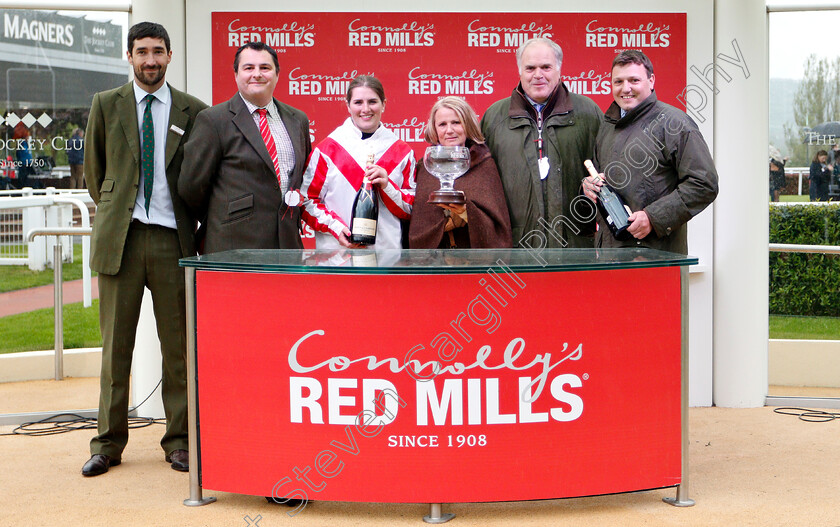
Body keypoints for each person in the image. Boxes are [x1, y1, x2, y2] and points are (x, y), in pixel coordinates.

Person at [82, 22, 208, 477]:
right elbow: (96, 176)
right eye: (142, 51)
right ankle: (107, 443)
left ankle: (180, 441)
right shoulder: (105, 104)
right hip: (123, 239)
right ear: (129, 56)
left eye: (158, 51)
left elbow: (201, 178)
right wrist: (120, 212)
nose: (150, 59)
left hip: (175, 240)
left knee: (179, 349)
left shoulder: (194, 110)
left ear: (170, 56)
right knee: (116, 348)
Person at [179, 41, 311, 253]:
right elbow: (191, 187)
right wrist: (223, 214)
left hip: (287, 245)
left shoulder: (298, 120)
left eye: (265, 68)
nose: (257, 74)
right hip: (233, 245)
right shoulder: (213, 120)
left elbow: (302, 179)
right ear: (236, 74)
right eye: (248, 68)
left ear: (277, 74)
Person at [582, 50, 718, 254]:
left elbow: (704, 184)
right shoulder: (606, 126)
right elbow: (600, 181)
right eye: (618, 82)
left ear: (651, 80)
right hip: (609, 257)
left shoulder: (675, 123)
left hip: (655, 257)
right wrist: (588, 187)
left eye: (634, 80)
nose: (625, 88)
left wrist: (654, 218)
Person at [481, 37, 601, 248]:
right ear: (519, 71)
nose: (538, 75)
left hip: (576, 247)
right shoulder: (494, 118)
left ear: (559, 70)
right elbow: (481, 183)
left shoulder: (588, 113)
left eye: (546, 67)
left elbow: (608, 170)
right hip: (516, 248)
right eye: (530, 68)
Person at [299, 75, 415, 249]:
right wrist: (336, 229)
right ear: (348, 106)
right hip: (337, 258)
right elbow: (306, 201)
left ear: (384, 104)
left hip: (387, 258)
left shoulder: (402, 152)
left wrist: (387, 186)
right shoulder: (327, 149)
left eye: (373, 102)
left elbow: (411, 209)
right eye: (358, 102)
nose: (366, 109)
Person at [409, 96, 511, 249]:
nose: (449, 130)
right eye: (442, 124)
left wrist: (466, 212)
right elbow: (419, 225)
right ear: (435, 130)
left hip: (474, 265)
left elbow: (498, 228)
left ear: (467, 125)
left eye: (456, 123)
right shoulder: (426, 167)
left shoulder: (484, 164)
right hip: (435, 265)